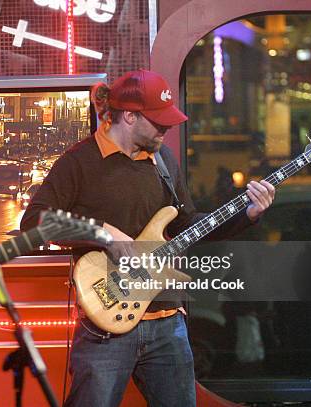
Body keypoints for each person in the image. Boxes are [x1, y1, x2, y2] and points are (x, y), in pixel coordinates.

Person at [20, 69, 276, 407]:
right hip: (106, 327)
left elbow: (186, 225)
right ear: (128, 116)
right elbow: (33, 222)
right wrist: (102, 234)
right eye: (158, 122)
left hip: (167, 323)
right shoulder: (79, 162)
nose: (166, 129)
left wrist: (247, 215)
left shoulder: (163, 161)